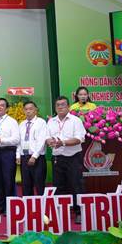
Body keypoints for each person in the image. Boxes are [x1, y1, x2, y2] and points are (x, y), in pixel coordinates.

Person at [46, 96, 86, 224]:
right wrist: (50, 141)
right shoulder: (51, 122)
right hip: (57, 157)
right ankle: (62, 212)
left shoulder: (75, 120)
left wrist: (62, 142)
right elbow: (47, 137)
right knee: (58, 186)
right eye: (58, 105)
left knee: (76, 185)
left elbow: (79, 139)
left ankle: (79, 212)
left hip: (73, 157)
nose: (60, 107)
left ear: (68, 107)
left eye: (63, 104)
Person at [0, 98, 20, 215]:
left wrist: (1, 140)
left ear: (7, 108)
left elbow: (16, 139)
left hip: (8, 153)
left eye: (2, 105)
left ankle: (10, 206)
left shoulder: (12, 122)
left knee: (8, 180)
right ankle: (0, 206)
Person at [16, 101, 48, 196]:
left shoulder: (41, 122)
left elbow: (41, 141)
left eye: (31, 109)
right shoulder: (21, 124)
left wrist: (34, 156)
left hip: (37, 158)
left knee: (39, 185)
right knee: (26, 185)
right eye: (26, 109)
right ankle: (28, 204)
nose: (28, 111)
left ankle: (42, 204)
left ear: (36, 110)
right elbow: (19, 141)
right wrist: (18, 155)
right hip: (24, 157)